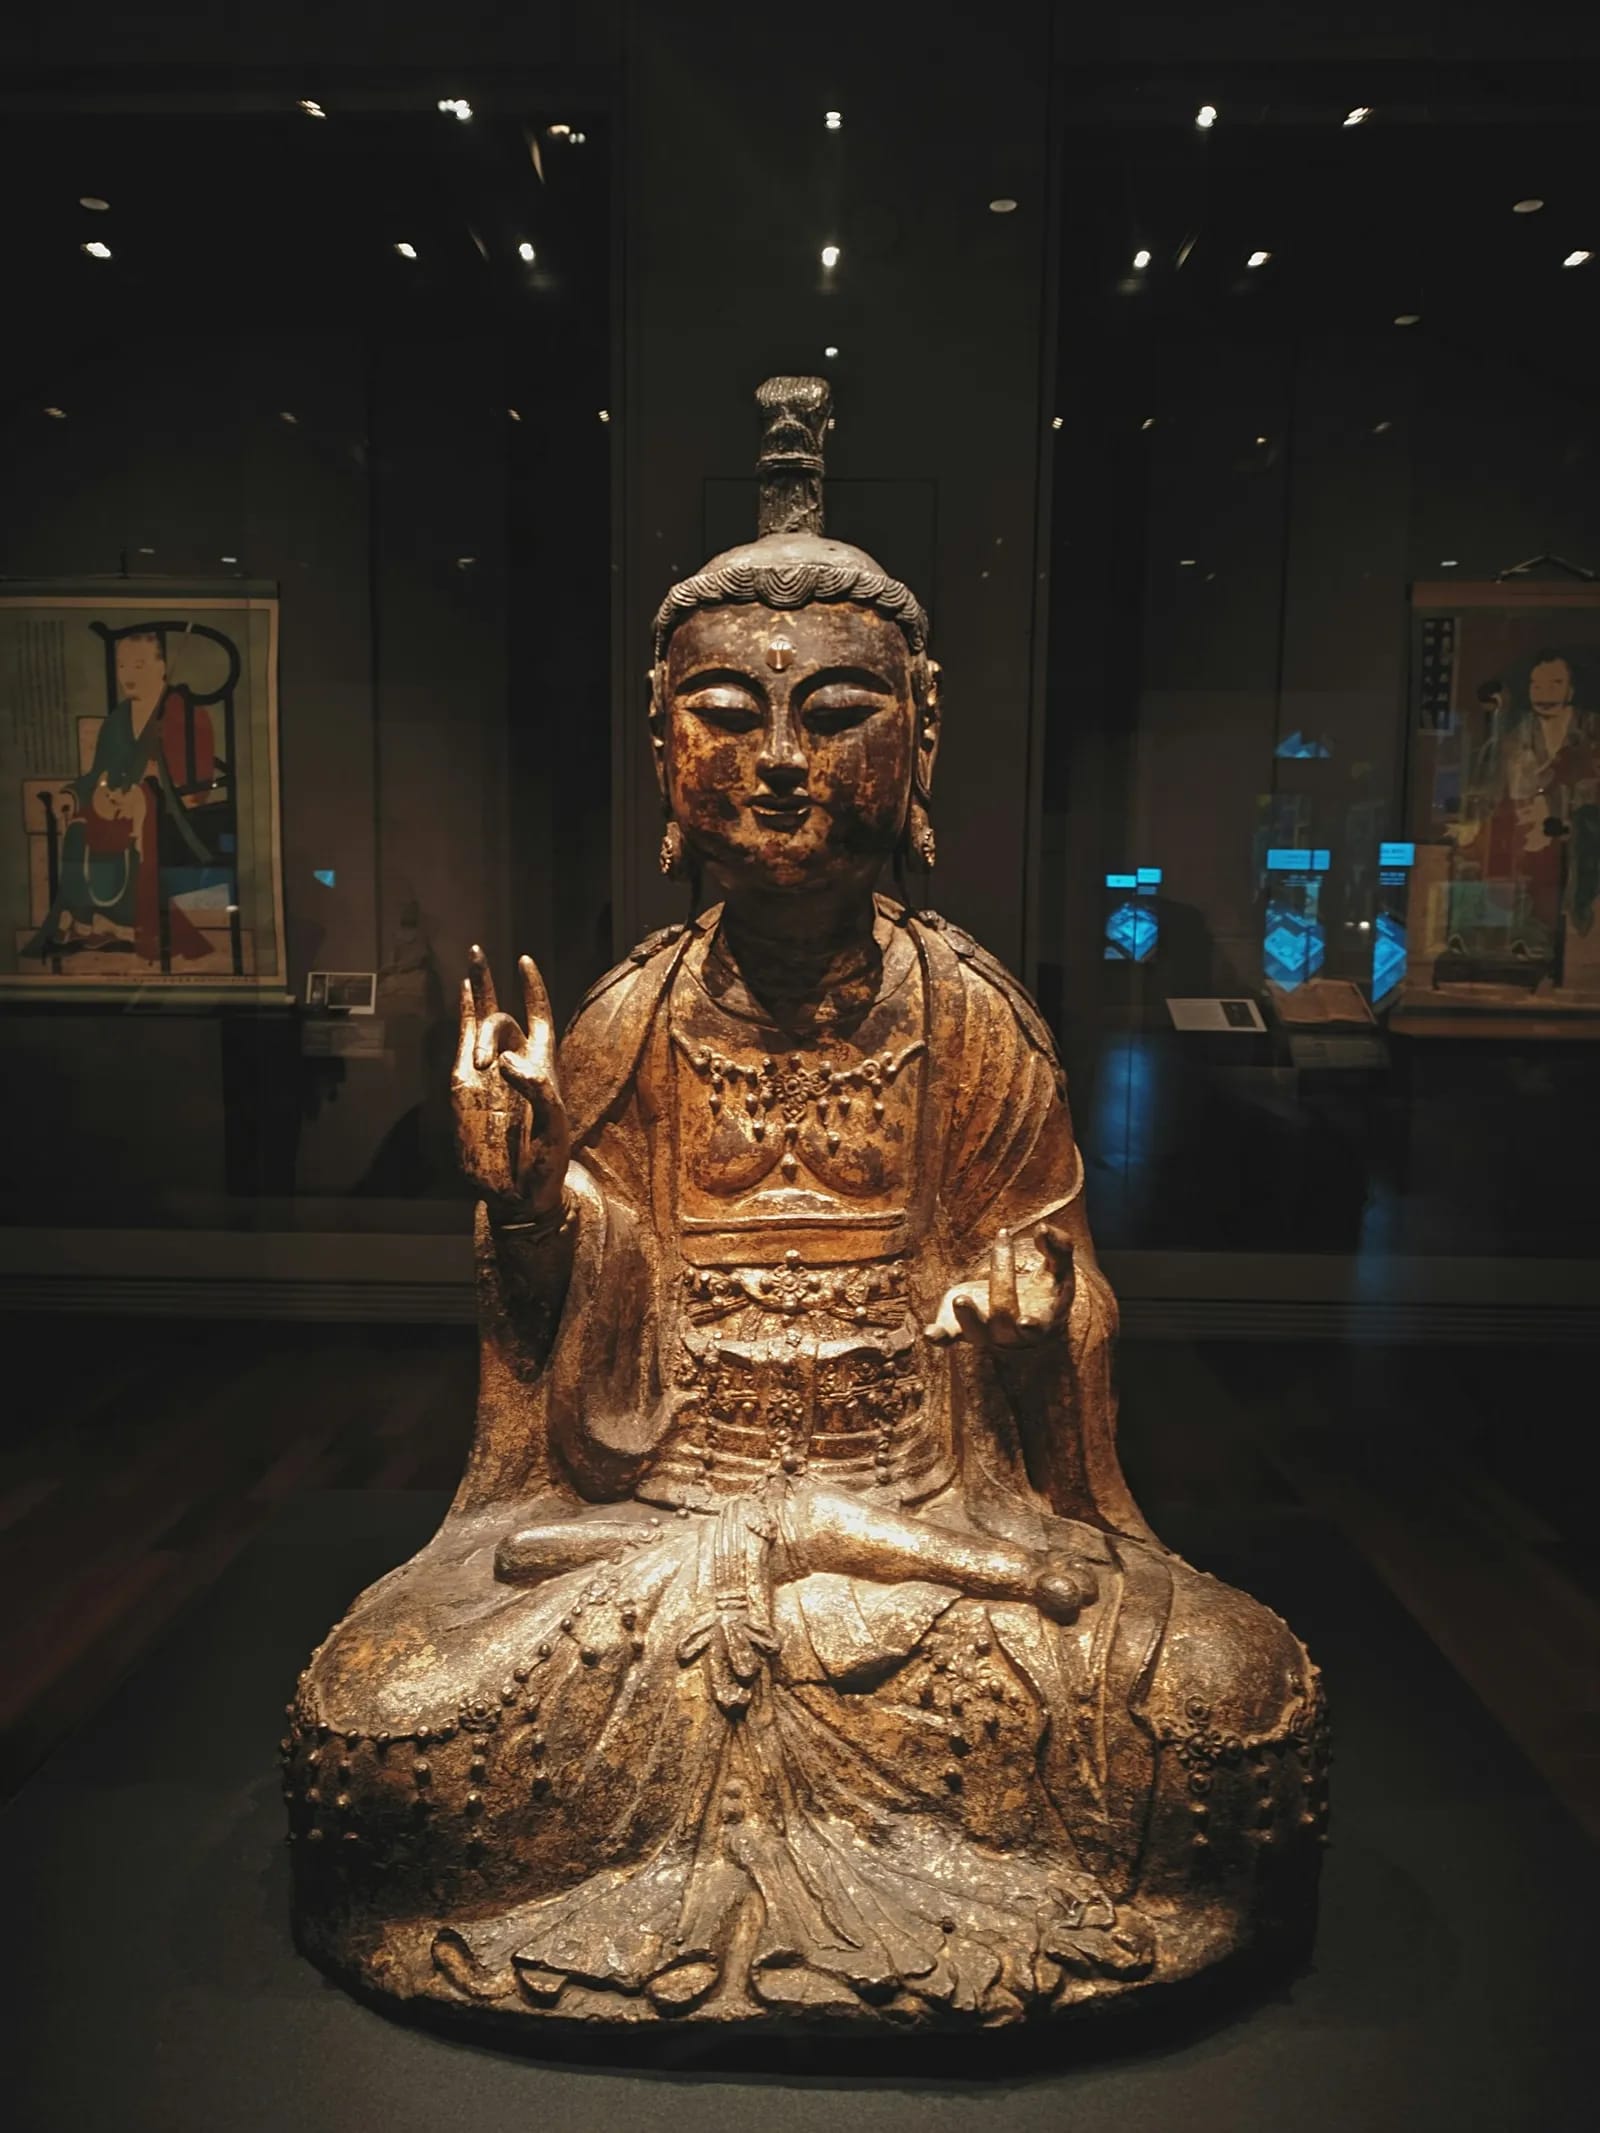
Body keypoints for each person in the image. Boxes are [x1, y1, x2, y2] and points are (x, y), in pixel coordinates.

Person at [287, 379, 1324, 2031]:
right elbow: (545, 1371)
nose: (779, 761)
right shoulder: (624, 1023)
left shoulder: (973, 1021)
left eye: (838, 713)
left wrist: (1039, 1313)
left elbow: (1059, 1285)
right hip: (656, 1528)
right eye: (726, 713)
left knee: (1220, 1694)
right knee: (379, 1707)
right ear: (663, 748)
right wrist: (530, 1197)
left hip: (927, 1528)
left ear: (920, 741)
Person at [25, 625, 217, 965]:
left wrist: (148, 790)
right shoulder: (118, 719)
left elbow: (195, 785)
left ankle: (129, 926)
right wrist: (73, 795)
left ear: (161, 667)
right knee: (81, 826)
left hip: (169, 812)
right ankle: (87, 923)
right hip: (116, 802)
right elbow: (98, 774)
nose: (128, 674)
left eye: (139, 665)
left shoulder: (183, 712)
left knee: (132, 824)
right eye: (122, 665)